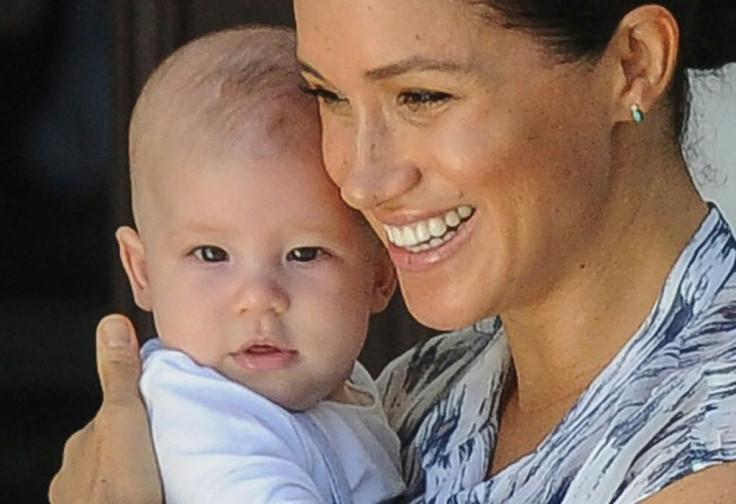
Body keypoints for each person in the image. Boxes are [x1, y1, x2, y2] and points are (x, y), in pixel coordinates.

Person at [50, 1, 736, 503]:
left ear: (633, 64)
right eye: (329, 96)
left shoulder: (707, 448)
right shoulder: (415, 389)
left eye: (422, 96)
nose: (359, 178)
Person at [94, 25, 405, 504]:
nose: (259, 296)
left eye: (304, 254)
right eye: (212, 254)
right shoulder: (200, 418)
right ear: (143, 271)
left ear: (380, 275)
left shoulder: (346, 385)